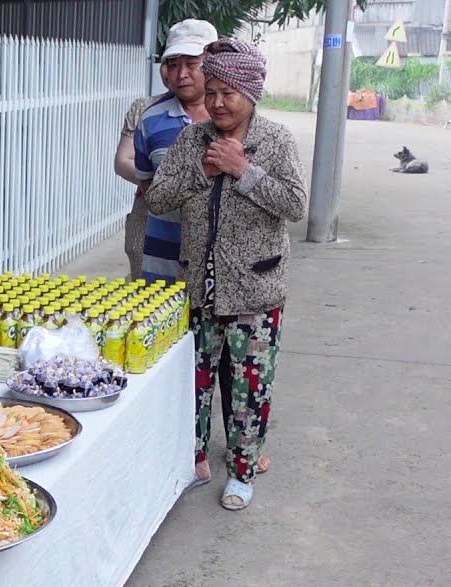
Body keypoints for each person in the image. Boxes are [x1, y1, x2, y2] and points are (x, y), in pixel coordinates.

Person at [145, 38, 307, 510]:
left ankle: (242, 470)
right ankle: (194, 456)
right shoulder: (191, 139)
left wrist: (244, 170)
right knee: (193, 381)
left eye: (228, 93)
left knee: (248, 386)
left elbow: (295, 205)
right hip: (200, 286)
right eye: (211, 91)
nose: (216, 102)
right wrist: (201, 172)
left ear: (250, 94)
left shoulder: (275, 140)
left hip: (256, 288)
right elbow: (157, 198)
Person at [133, 18, 218, 283]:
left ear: (213, 62)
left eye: (192, 64)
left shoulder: (233, 118)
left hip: (219, 261)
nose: (181, 74)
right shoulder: (150, 119)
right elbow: (146, 182)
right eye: (173, 63)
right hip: (163, 257)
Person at [114, 63, 171, 280]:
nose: (177, 72)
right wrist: (158, 184)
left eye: (191, 62)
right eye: (170, 63)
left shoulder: (220, 111)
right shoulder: (144, 108)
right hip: (149, 217)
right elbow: (123, 161)